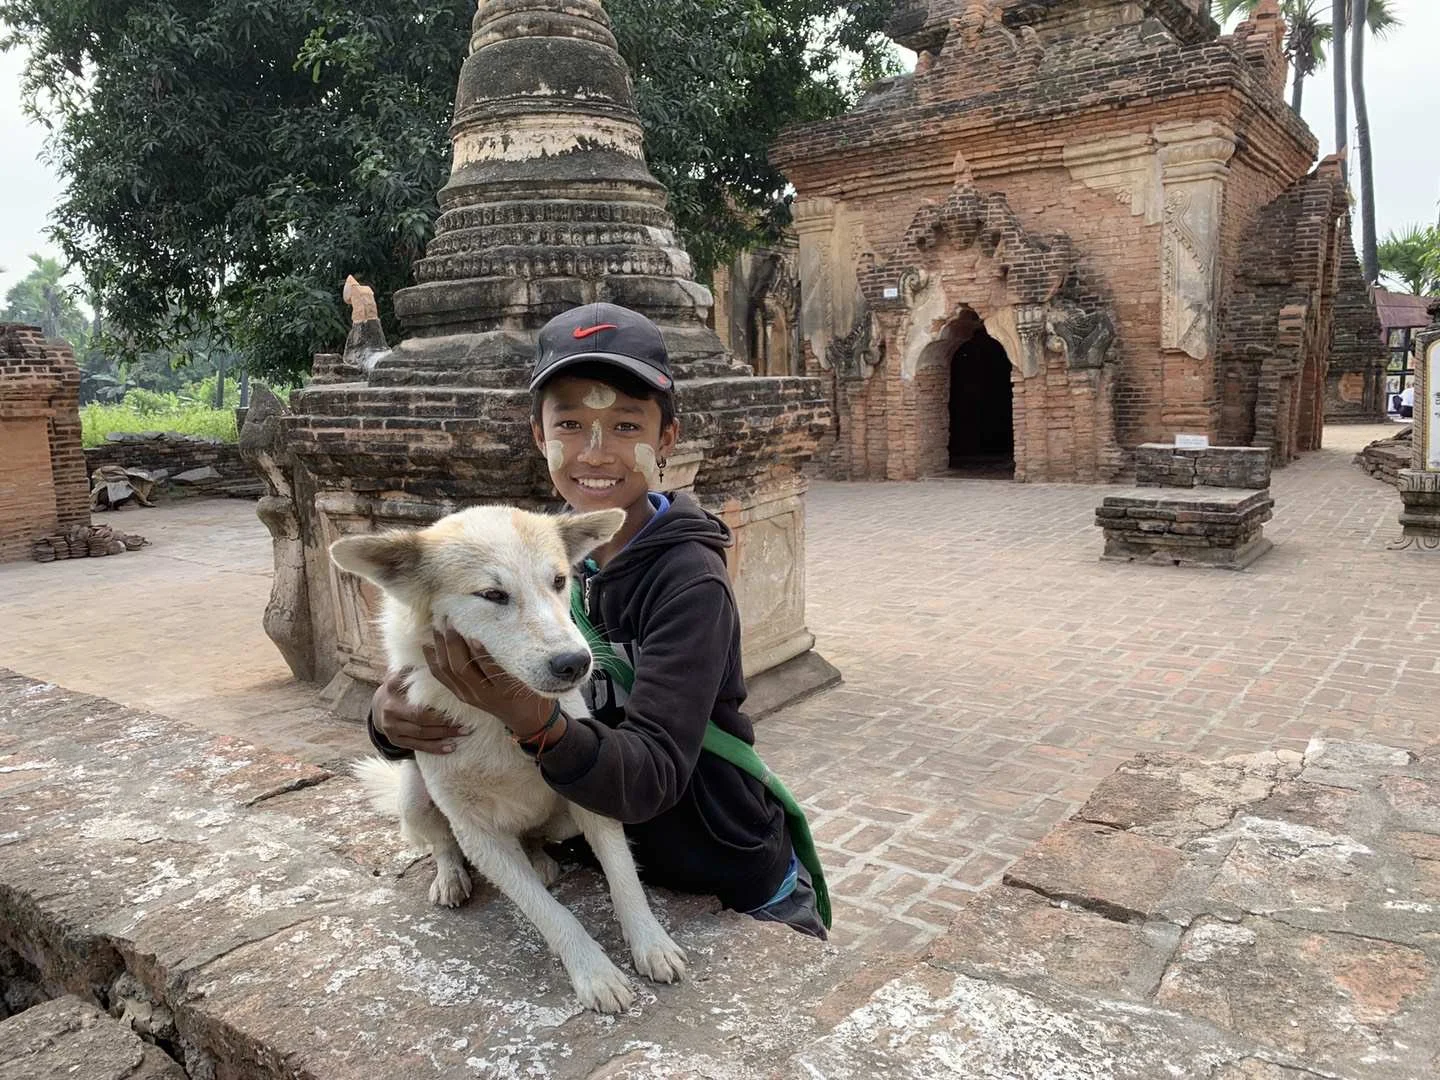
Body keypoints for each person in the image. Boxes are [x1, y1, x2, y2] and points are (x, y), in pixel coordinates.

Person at [367, 302, 826, 938]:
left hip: (722, 873)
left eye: (626, 425)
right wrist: (391, 721)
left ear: (666, 438)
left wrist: (531, 718)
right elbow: (442, 689)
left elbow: (653, 775)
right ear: (540, 436)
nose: (596, 451)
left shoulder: (689, 581)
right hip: (593, 864)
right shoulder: (526, 551)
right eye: (572, 423)